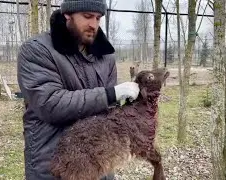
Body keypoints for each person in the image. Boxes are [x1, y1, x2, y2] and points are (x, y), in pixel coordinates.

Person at [17, 0, 140, 179]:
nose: (93, 24)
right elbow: (50, 104)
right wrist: (110, 94)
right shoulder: (37, 50)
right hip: (55, 163)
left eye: (98, 18)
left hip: (99, 162)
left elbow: (110, 110)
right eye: (87, 16)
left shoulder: (105, 56)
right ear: (67, 14)